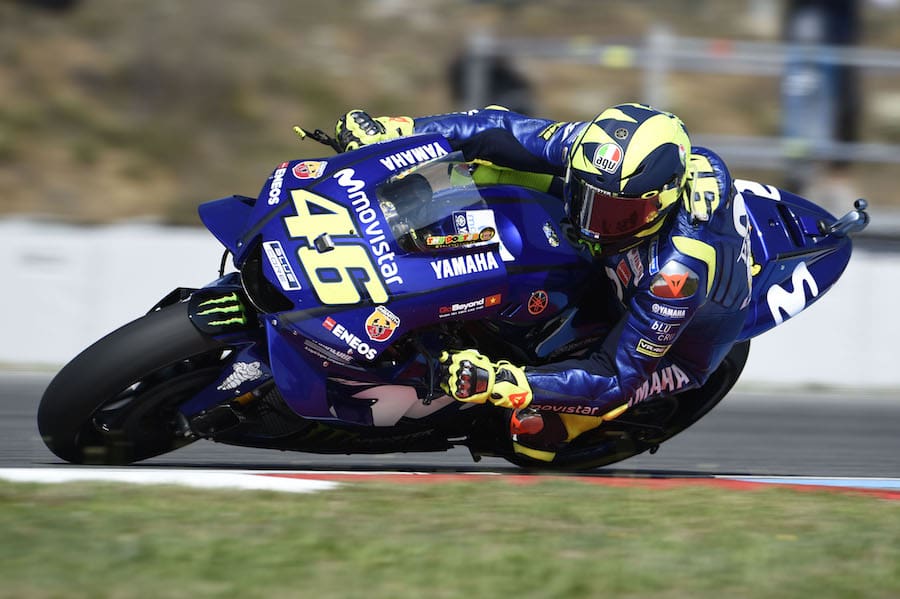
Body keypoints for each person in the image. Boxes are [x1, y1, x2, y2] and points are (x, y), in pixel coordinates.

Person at [334, 103, 753, 462]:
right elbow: (497, 129)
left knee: (532, 435)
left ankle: (563, 422)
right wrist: (400, 131)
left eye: (618, 216)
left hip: (679, 347)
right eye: (588, 201)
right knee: (489, 168)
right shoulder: (591, 151)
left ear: (661, 205)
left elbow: (614, 377)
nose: (594, 224)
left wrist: (501, 382)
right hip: (623, 257)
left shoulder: (675, 276)